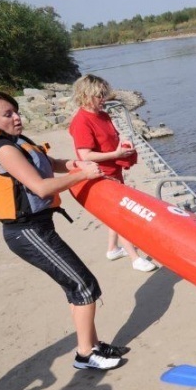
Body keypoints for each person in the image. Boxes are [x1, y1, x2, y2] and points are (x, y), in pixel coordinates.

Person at [0, 90, 127, 370]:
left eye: (16, 111)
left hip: (39, 227)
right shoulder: (4, 149)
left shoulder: (17, 141)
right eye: (7, 114)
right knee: (83, 284)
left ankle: (93, 345)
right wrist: (83, 175)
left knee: (75, 285)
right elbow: (41, 187)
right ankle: (85, 355)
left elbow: (49, 163)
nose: (16, 117)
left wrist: (74, 164)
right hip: (26, 232)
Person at [69, 74, 157, 272]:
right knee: (120, 216)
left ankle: (112, 249)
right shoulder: (81, 121)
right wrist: (116, 154)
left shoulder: (102, 115)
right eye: (99, 95)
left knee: (113, 214)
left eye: (104, 94)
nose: (104, 99)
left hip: (114, 171)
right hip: (100, 176)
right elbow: (85, 155)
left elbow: (110, 139)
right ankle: (135, 259)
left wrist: (123, 146)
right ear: (86, 95)